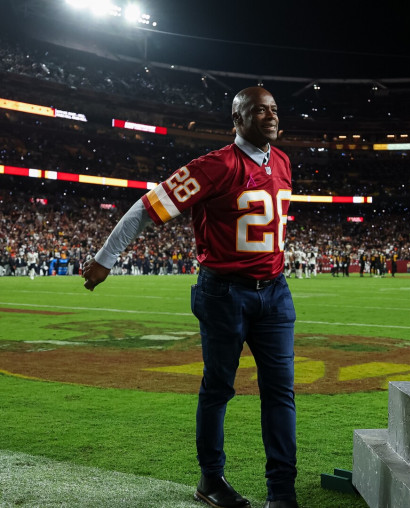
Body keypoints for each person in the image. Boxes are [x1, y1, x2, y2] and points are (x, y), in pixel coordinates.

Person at [82, 87, 299, 508]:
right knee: (218, 389)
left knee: (281, 392)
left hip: (275, 292)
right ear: (236, 120)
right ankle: (211, 480)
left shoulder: (284, 161)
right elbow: (146, 208)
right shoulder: (215, 166)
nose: (269, 116)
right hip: (224, 293)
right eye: (258, 110)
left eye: (274, 109)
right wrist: (105, 259)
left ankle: (281, 491)